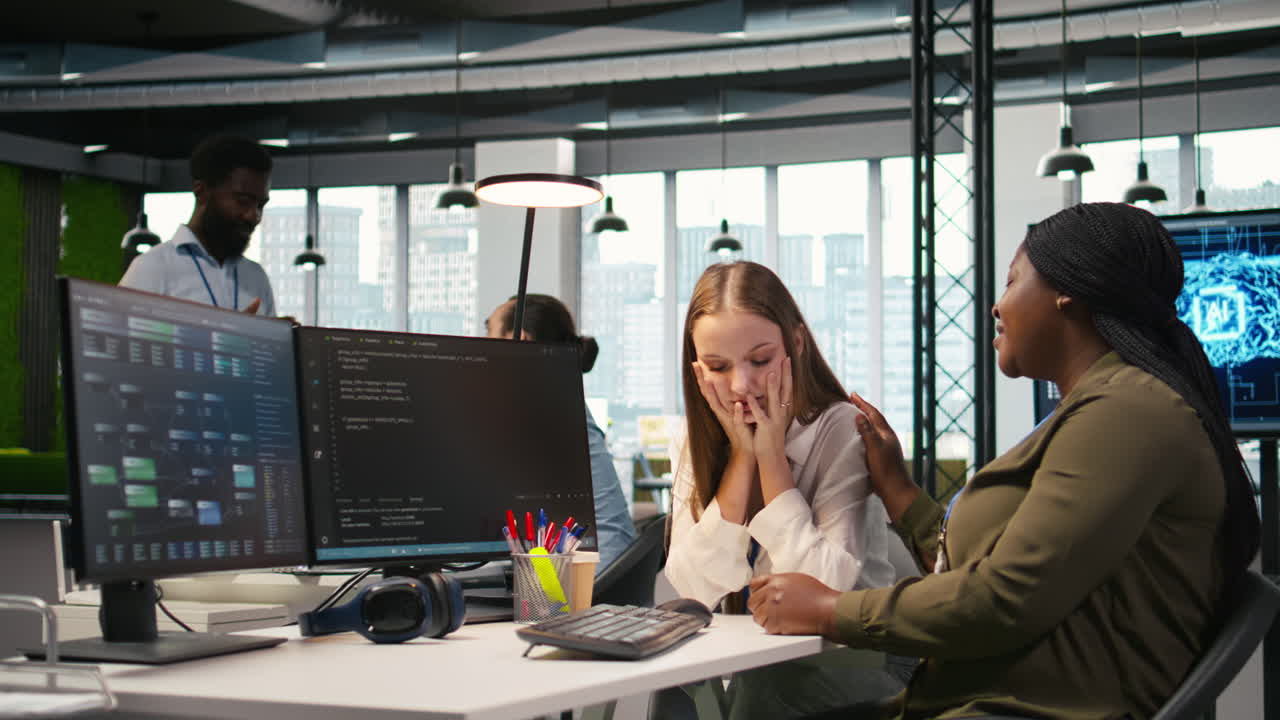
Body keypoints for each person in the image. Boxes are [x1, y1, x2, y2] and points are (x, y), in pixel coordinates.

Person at [748, 202, 1261, 720]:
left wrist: (830, 610)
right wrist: (897, 489)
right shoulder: (1100, 410)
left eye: (1013, 281)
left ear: (1067, 292)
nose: (997, 306)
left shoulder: (1127, 413)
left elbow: (1004, 598)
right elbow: (994, 570)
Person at [661, 260, 899, 720]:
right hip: (754, 668)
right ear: (697, 369)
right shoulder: (694, 440)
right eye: (718, 366)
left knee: (760, 692)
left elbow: (826, 590)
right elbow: (692, 583)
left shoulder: (840, 430)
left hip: (855, 663)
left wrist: (771, 460)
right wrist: (742, 458)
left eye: (760, 360)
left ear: (796, 344)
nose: (741, 386)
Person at [485, 294, 637, 572]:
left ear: (521, 339)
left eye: (490, 332)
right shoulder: (560, 397)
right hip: (609, 567)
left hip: (593, 575)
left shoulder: (541, 406)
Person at [120, 134, 276, 316]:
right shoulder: (153, 267)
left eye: (260, 205)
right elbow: (122, 342)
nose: (254, 216)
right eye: (243, 201)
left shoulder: (256, 277)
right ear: (201, 192)